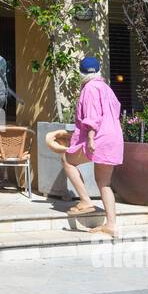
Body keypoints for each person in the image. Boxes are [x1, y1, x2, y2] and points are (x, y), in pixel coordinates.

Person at [44, 57, 124, 238]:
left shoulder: (89, 88)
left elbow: (91, 117)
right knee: (104, 183)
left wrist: (90, 139)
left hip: (98, 137)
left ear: (81, 72)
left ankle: (86, 200)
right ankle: (111, 225)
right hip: (114, 137)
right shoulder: (106, 88)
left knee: (67, 159)